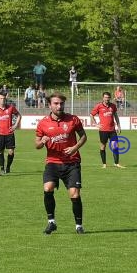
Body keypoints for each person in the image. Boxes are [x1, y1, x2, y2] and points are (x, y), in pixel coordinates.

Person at [35, 92, 87, 235]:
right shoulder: (43, 123)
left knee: (74, 194)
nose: (59, 106)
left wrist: (75, 147)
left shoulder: (73, 120)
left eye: (61, 103)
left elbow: (83, 136)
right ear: (50, 105)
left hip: (72, 163)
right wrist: (42, 142)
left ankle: (79, 225)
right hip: (53, 162)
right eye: (56, 103)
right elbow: (37, 145)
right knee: (48, 188)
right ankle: (51, 222)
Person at [90, 92, 125, 169]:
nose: (107, 99)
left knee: (115, 146)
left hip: (112, 130)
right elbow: (91, 115)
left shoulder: (113, 106)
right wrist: (96, 124)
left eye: (108, 97)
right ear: (103, 98)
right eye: (105, 97)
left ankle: (116, 163)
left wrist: (119, 126)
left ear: (110, 98)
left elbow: (115, 116)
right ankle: (104, 164)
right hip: (103, 130)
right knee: (103, 146)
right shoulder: (99, 106)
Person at [0, 90, 22, 174]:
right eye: (1, 98)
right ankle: (2, 168)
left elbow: (19, 115)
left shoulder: (10, 107)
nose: (3, 100)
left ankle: (8, 167)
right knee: (0, 151)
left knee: (11, 152)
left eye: (4, 98)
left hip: (9, 133)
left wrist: (15, 125)